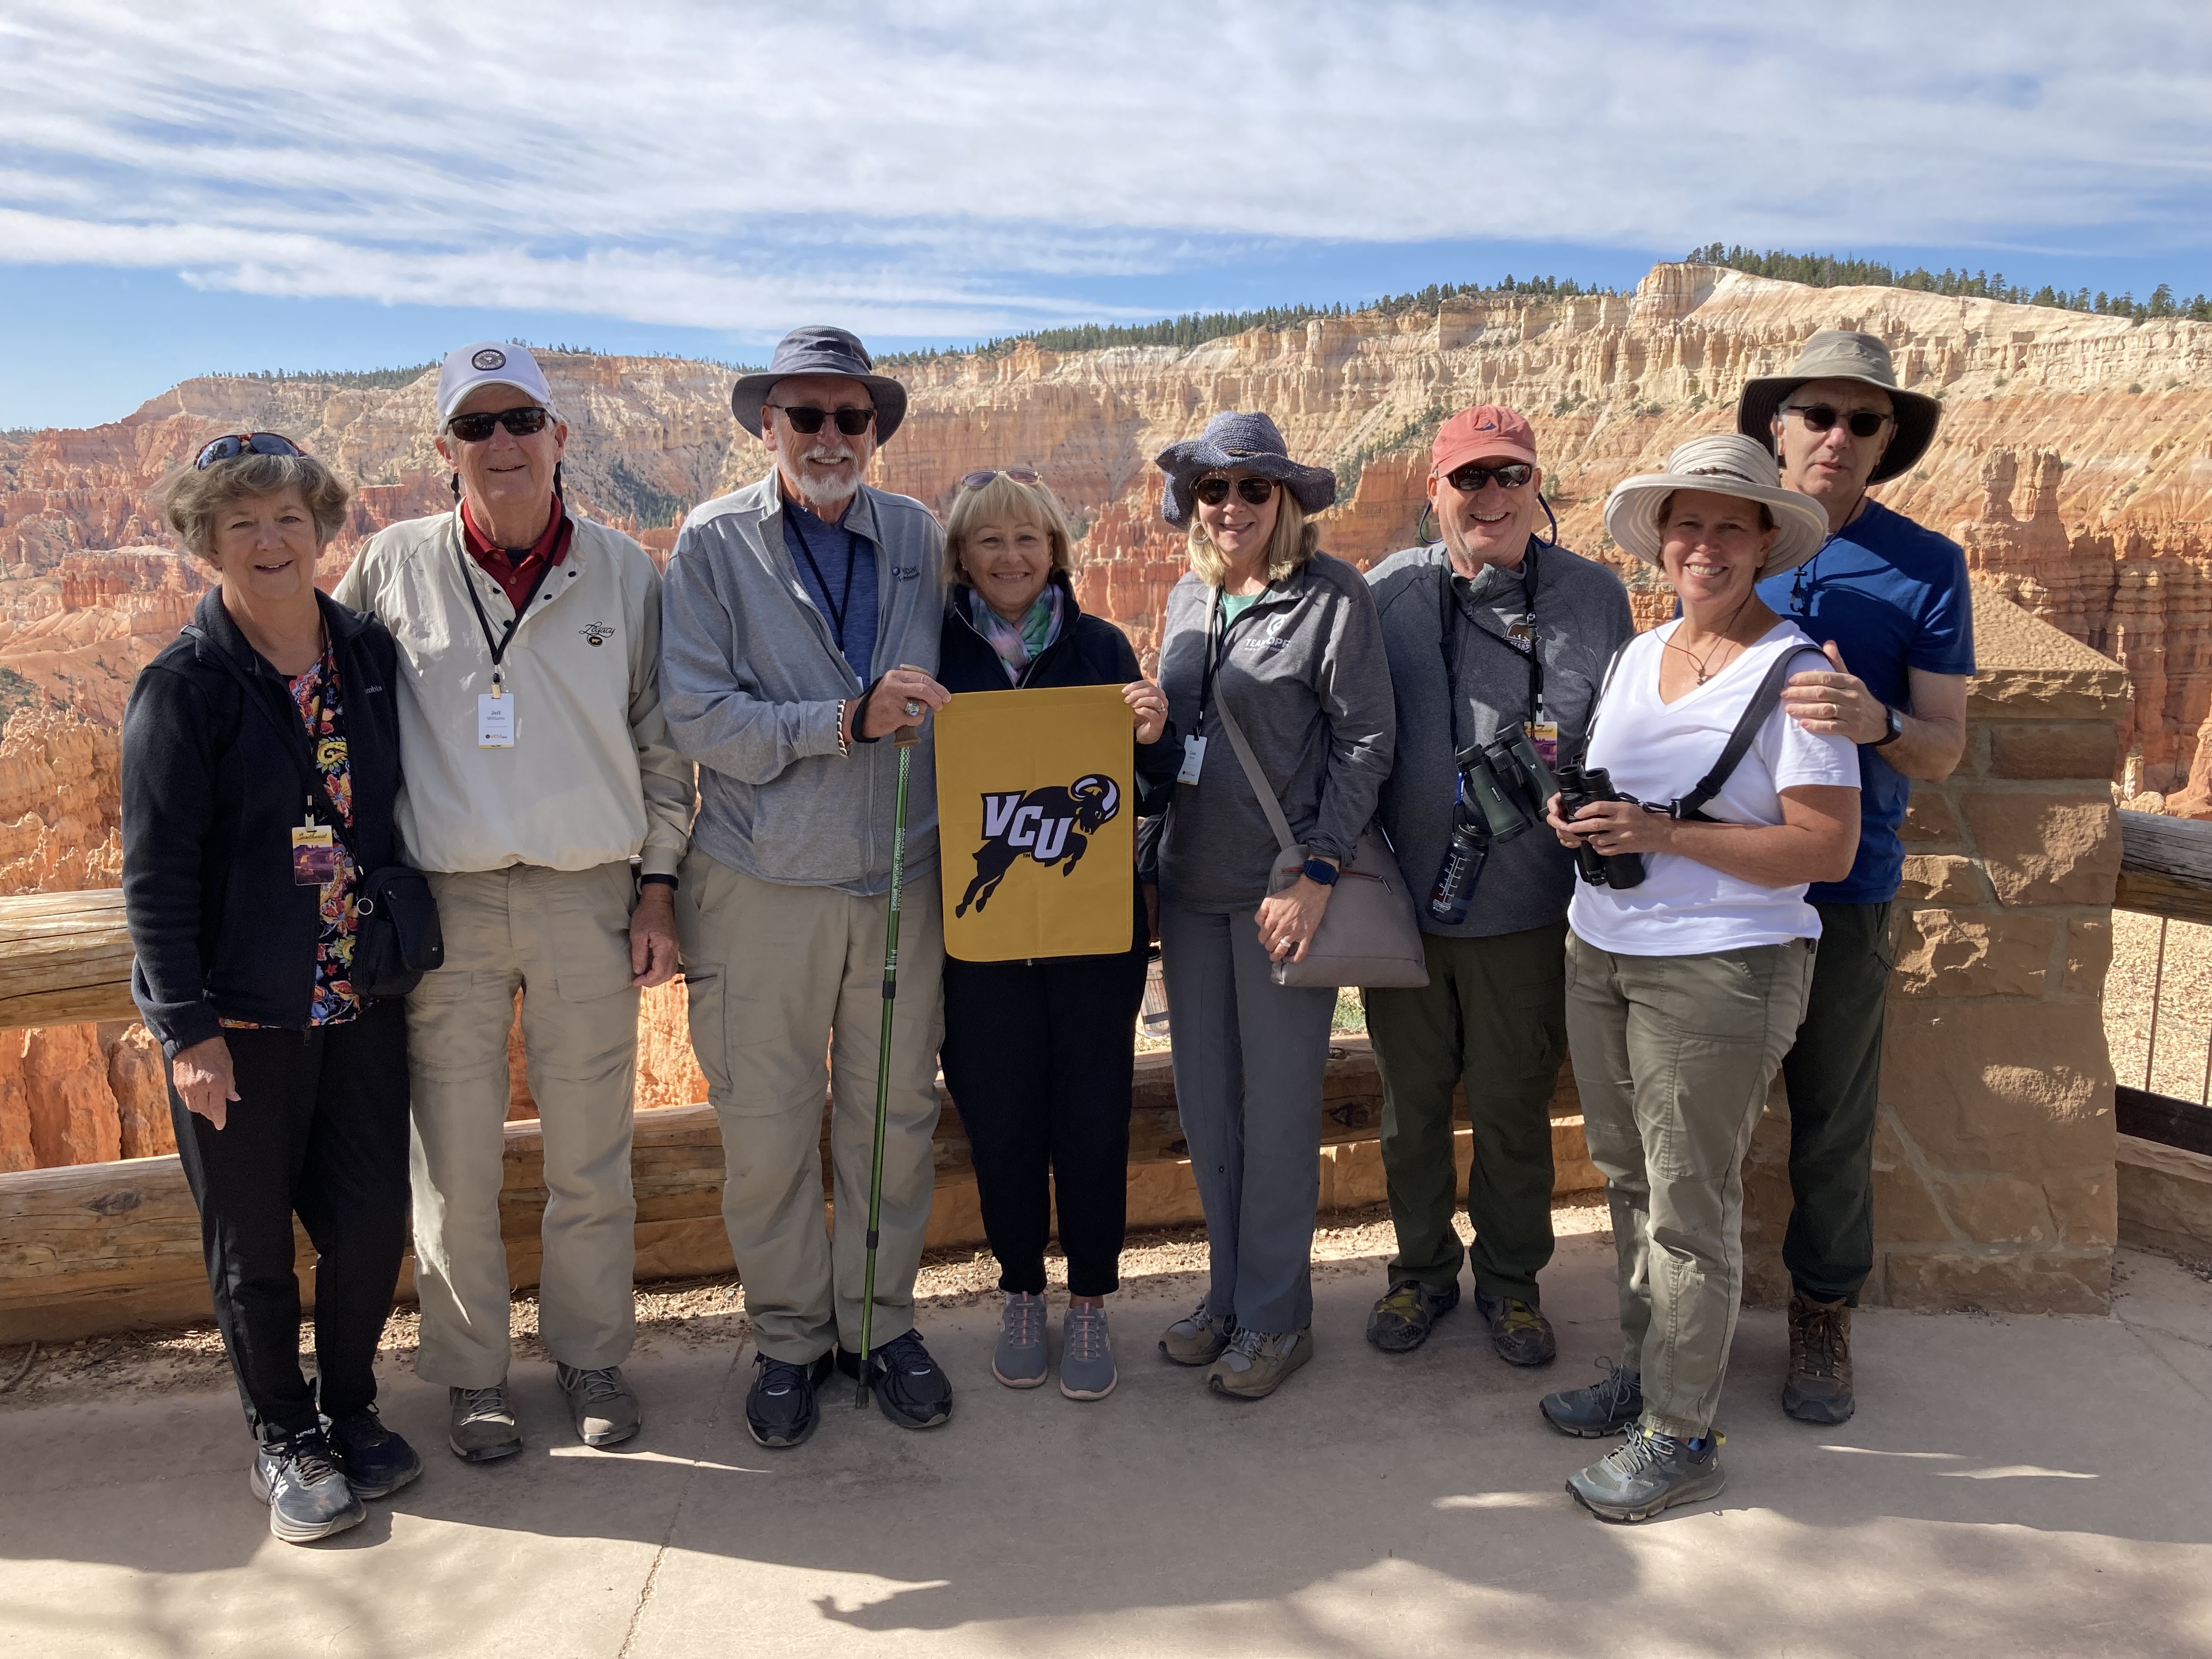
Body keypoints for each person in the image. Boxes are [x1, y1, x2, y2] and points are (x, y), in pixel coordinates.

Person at [334, 343, 694, 1462]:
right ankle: (474, 1375)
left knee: (592, 1149)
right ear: (445, 451)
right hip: (447, 902)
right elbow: (327, 712)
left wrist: (659, 884)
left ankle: (591, 1354)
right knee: (454, 1158)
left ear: (559, 438)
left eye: (521, 419)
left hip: (589, 894)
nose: (502, 443)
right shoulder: (392, 567)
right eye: (477, 426)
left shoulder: (627, 574)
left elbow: (663, 739)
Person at [1538, 433, 1859, 1523]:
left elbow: (1825, 849)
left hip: (1721, 970)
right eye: (1688, 523)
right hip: (1604, 950)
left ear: (1767, 540)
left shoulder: (1802, 678)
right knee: (1630, 1182)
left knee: (1689, 1204)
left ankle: (1682, 1434)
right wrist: (1581, 818)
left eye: (1730, 524)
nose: (1705, 544)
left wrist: (1667, 836)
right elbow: (1626, 792)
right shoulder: (1639, 655)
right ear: (1660, 541)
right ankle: (1652, 1375)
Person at [659, 326, 956, 1449]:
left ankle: (880, 1330)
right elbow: (697, 716)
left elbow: (1000, 636)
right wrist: (841, 721)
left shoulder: (917, 535)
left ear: (873, 429)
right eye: (806, 416)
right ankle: (788, 1340)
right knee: (769, 1127)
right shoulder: (713, 541)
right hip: (758, 882)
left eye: (851, 417)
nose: (830, 436)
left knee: (893, 1119)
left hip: (896, 877)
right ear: (768, 425)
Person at [124, 434, 416, 1543]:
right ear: (206, 541)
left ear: (322, 527)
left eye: (289, 516)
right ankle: (283, 1434)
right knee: (250, 1244)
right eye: (240, 522)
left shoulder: (367, 655)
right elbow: (153, 877)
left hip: (360, 1003)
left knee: (369, 1220)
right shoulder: (182, 689)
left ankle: (352, 1408)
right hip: (239, 1020)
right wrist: (187, 1031)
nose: (268, 539)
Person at [1364, 407, 1635, 1365]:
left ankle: (1513, 1286)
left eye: (1510, 476)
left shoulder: (1595, 600)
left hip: (1531, 911)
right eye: (1469, 478)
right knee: (1411, 1113)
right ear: (1434, 491)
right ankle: (1422, 1275)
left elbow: (1622, 739)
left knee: (1516, 1113)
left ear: (1537, 488)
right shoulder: (1387, 594)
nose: (1490, 496)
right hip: (1409, 911)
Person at [1737, 331, 1973, 1423]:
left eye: (1861, 421)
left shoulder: (1927, 566)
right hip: (1725, 883)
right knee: (1692, 1111)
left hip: (1846, 887)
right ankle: (1672, 1315)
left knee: (1832, 1119)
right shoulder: (1727, 537)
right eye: (1815, 413)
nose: (1836, 436)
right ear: (1776, 426)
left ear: (1885, 442)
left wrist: (1879, 722)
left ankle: (1823, 1314)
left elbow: (1942, 746)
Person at [1150, 411, 1396, 1401]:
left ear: (1286, 500)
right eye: (1214, 489)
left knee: (1281, 1110)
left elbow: (1367, 742)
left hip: (1280, 894)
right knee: (1211, 1113)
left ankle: (1278, 1315)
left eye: (1255, 489)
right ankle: (1228, 1294)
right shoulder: (1182, 596)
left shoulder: (1331, 599)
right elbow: (1179, 739)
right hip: (1189, 889)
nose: (1233, 506)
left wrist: (1318, 871)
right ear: (1193, 503)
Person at [933, 467, 1177, 1402]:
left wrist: (1153, 735)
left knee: (1090, 1115)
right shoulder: (936, 654)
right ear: (962, 554)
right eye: (990, 540)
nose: (1010, 557)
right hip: (980, 940)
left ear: (1055, 551)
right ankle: (1021, 1289)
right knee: (1000, 1119)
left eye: (1028, 539)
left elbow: (1146, 792)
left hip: (1090, 940)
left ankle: (1089, 1300)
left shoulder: (1101, 645)